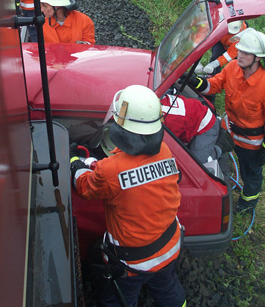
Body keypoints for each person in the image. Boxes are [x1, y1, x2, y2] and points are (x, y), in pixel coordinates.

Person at [70, 85, 187, 307]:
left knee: (118, 299)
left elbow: (85, 187)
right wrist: (96, 165)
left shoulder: (111, 171)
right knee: (167, 289)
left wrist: (76, 164)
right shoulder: (164, 150)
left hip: (133, 263)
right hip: (169, 246)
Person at [181, 28, 265, 213]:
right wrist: (193, 81)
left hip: (251, 143)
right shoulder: (232, 68)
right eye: (240, 50)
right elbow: (213, 86)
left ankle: (246, 204)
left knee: (250, 174)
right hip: (228, 129)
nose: (240, 55)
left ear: (258, 58)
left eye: (245, 53)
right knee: (218, 158)